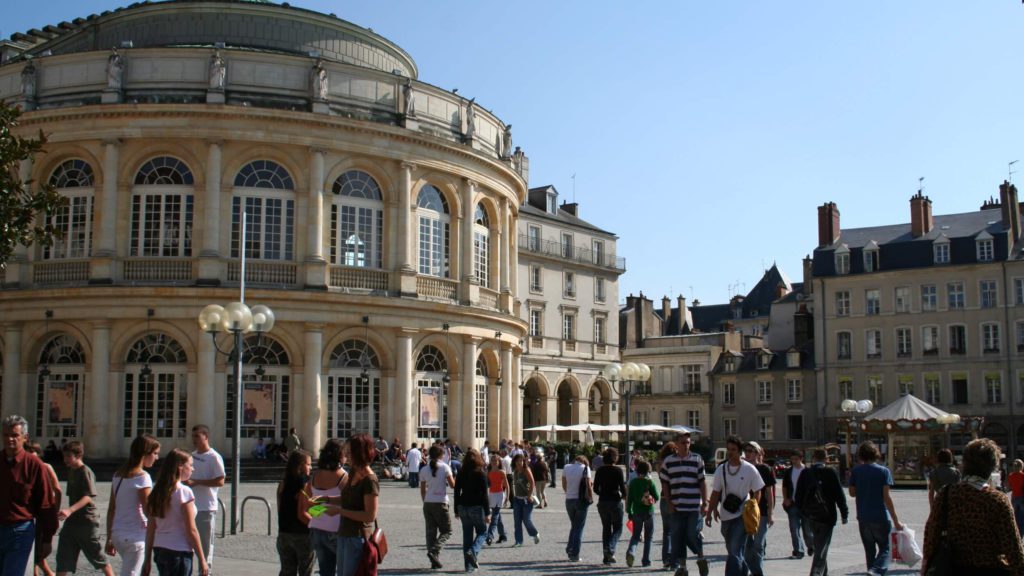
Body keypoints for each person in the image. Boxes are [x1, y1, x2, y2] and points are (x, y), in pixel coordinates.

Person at [923, 438, 1024, 574]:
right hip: (990, 569)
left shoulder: (945, 494)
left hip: (953, 569)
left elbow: (931, 535)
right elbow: (1013, 547)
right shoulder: (997, 499)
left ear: (964, 464)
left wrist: (926, 565)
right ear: (992, 467)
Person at [1, 414, 57, 576]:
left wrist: (47, 538)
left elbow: (46, 503)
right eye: (6, 435)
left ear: (24, 438)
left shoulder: (34, 465)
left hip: (20, 531)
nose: (10, 439)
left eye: (14, 435)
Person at [142, 449, 209, 576]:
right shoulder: (183, 491)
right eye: (190, 465)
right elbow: (191, 529)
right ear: (180, 466)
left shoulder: (157, 491)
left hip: (160, 548)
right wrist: (202, 559)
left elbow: (151, 528)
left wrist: (147, 559)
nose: (192, 469)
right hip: (179, 549)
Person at [706, 435, 764, 576]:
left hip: (742, 516)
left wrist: (753, 507)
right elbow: (715, 493)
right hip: (726, 515)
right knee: (734, 551)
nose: (730, 452)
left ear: (739, 451)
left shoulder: (749, 469)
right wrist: (710, 511)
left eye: (733, 449)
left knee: (734, 551)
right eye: (728, 449)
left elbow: (758, 490)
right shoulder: (721, 469)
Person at [55, 440, 115, 576]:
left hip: (87, 522)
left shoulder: (85, 471)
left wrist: (69, 510)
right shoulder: (72, 471)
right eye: (64, 456)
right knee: (63, 556)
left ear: (79, 455)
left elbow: (88, 496)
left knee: (98, 557)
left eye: (68, 456)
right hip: (72, 523)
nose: (65, 460)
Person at [107, 435, 161, 576]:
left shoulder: (117, 475)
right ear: (145, 453)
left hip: (118, 533)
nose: (157, 458)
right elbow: (148, 509)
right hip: (135, 535)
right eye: (155, 453)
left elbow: (112, 508)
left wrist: (109, 536)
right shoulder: (142, 477)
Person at [849, 440, 903, 576]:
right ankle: (876, 570)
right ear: (876, 454)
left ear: (861, 455)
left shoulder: (856, 471)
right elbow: (887, 497)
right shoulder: (884, 471)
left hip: (863, 516)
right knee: (887, 547)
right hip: (880, 515)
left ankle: (872, 570)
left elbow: (852, 493)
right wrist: (896, 520)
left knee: (869, 551)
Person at [327, 433, 379, 576]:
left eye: (350, 453)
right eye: (346, 452)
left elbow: (369, 515)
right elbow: (348, 499)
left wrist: (339, 511)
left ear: (360, 453)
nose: (346, 456)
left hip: (358, 537)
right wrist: (327, 499)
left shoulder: (370, 480)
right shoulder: (353, 472)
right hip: (344, 533)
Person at [660, 432, 709, 576]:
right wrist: (668, 502)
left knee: (692, 534)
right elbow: (665, 484)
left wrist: (704, 502)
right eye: (683, 442)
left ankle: (700, 556)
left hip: (693, 505)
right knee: (678, 537)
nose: (686, 445)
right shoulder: (669, 461)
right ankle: (682, 567)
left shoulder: (697, 459)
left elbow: (702, 482)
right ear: (676, 444)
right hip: (676, 506)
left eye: (688, 442)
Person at [795, 448, 848, 576]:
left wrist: (802, 511)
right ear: (826, 459)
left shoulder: (805, 473)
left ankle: (824, 573)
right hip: (827, 515)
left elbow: (798, 495)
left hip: (810, 515)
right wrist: (844, 513)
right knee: (821, 548)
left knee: (820, 546)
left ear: (813, 458)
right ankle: (816, 573)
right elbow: (839, 495)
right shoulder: (830, 473)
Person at [186, 425, 224, 572]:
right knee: (187, 543)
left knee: (205, 545)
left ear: (205, 437)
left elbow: (220, 481)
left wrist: (197, 482)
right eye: (193, 436)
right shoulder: (192, 455)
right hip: (190, 506)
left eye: (197, 436)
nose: (194, 439)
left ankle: (205, 571)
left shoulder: (214, 457)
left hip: (206, 507)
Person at [306, 439, 345, 576]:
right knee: (343, 570)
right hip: (336, 528)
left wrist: (320, 512)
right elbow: (349, 500)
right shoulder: (343, 476)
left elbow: (309, 501)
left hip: (317, 527)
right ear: (340, 456)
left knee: (325, 571)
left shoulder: (315, 475)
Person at [276, 450, 314, 576]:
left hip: (284, 533)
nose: (311, 467)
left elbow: (279, 509)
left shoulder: (283, 483)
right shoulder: (305, 483)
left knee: (286, 571)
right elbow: (307, 509)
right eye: (308, 464)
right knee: (305, 572)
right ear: (300, 465)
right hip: (302, 534)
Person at [26, 441, 60, 576]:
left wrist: (55, 510)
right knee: (33, 555)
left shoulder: (45, 467)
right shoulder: (25, 466)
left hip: (43, 512)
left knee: (37, 555)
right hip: (30, 514)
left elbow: (57, 489)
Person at [454, 449, 490, 572]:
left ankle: (468, 567)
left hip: (463, 506)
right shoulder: (481, 473)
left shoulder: (461, 472)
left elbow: (456, 492)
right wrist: (488, 513)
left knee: (467, 537)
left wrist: (456, 509)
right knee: (483, 532)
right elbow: (485, 495)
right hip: (476, 507)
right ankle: (473, 551)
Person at [742, 441, 775, 576]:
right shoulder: (742, 468)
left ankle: (757, 572)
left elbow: (770, 493)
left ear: (757, 453)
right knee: (747, 545)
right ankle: (751, 571)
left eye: (751, 451)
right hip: (745, 511)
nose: (748, 453)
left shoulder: (765, 469)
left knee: (758, 544)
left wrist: (771, 513)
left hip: (761, 511)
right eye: (746, 451)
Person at [420, 444, 454, 570]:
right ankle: (434, 551)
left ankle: (434, 560)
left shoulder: (424, 469)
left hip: (428, 503)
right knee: (447, 530)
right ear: (441, 455)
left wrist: (425, 501)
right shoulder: (445, 467)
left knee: (430, 533)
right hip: (441, 502)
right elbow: (452, 485)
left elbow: (423, 490)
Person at [593, 447, 627, 565]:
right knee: (618, 527)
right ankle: (610, 548)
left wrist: (602, 492)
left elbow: (595, 488)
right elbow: (622, 488)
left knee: (606, 528)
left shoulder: (599, 470)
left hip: (602, 502)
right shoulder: (618, 470)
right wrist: (624, 495)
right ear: (614, 458)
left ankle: (606, 557)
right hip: (614, 501)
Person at [625, 459, 659, 568]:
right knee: (649, 537)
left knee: (635, 535)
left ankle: (631, 551)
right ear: (648, 471)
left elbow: (629, 498)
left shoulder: (633, 482)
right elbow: (657, 497)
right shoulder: (649, 482)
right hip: (649, 511)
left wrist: (629, 511)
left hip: (637, 512)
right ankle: (646, 560)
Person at [781, 449, 813, 560]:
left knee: (807, 530)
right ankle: (798, 551)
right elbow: (784, 486)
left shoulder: (808, 471)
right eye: (792, 459)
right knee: (794, 528)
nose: (793, 461)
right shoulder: (789, 472)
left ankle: (811, 545)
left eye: (796, 459)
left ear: (801, 458)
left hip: (806, 505)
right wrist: (786, 499)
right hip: (792, 504)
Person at [562, 455, 592, 562]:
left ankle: (570, 548)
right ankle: (574, 553)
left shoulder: (566, 467)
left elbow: (564, 484)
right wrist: (591, 497)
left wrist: (568, 492)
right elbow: (588, 485)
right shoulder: (585, 468)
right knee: (579, 527)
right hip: (581, 500)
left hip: (569, 499)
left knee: (574, 525)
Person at [510, 453, 540, 547]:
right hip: (517, 500)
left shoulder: (526, 470)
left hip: (527, 500)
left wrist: (529, 495)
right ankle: (518, 541)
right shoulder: (515, 471)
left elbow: (532, 482)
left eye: (521, 460)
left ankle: (534, 533)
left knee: (527, 520)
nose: (519, 462)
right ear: (514, 462)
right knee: (517, 521)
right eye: (518, 460)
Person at [655, 442, 677, 570]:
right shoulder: (673, 464)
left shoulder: (660, 464)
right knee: (676, 530)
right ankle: (674, 558)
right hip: (674, 497)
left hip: (663, 498)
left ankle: (666, 559)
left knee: (666, 531)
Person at [485, 454, 508, 546]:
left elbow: (507, 485)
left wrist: (507, 497)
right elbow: (486, 485)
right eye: (492, 460)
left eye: (496, 460)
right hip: (491, 494)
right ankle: (503, 535)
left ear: (499, 462)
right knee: (497, 516)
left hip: (499, 494)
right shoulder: (488, 472)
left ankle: (490, 536)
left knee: (494, 516)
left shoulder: (502, 472)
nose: (494, 462)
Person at [1009, 459, 1024, 537]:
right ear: (1021, 466)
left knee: (1014, 517)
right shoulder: (1023, 476)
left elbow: (1009, 486)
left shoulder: (1011, 475)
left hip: (1014, 497)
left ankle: (1015, 534)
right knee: (1022, 517)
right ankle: (1021, 535)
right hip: (1022, 498)